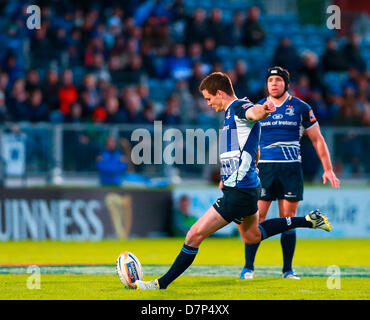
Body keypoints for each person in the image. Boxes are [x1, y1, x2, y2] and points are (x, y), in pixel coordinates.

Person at [134, 72, 333, 290]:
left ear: (220, 93)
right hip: (247, 188)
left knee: (193, 235)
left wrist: (264, 110)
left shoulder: (239, 108)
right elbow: (253, 149)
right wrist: (232, 173)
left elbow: (253, 112)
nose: (208, 104)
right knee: (253, 235)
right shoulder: (230, 114)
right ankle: (308, 221)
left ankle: (159, 285)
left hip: (238, 191)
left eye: (209, 99)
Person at [240, 66, 340, 280]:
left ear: (286, 83)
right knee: (258, 217)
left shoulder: (300, 107)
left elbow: (317, 139)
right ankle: (248, 268)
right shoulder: (257, 108)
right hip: (265, 168)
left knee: (288, 217)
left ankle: (287, 270)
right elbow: (246, 141)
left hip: (291, 169)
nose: (273, 83)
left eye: (277, 80)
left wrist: (328, 169)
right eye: (270, 80)